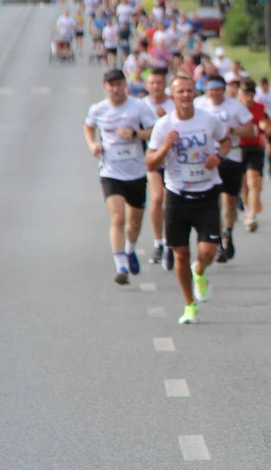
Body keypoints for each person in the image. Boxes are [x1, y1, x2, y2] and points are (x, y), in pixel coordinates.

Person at [146, 75, 231, 325]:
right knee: (181, 254)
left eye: (188, 91)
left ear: (195, 94)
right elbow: (150, 163)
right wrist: (165, 147)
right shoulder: (164, 125)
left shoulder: (209, 120)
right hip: (177, 195)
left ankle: (200, 271)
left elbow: (226, 142)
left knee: (208, 251)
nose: (185, 95)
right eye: (180, 92)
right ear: (172, 97)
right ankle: (189, 305)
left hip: (207, 192)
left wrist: (218, 157)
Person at [84, 68, 160, 285]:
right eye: (111, 85)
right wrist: (92, 145)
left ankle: (129, 249)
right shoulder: (98, 109)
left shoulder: (139, 107)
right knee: (118, 217)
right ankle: (121, 267)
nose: (115, 89)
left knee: (134, 223)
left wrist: (135, 134)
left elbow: (155, 131)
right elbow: (88, 127)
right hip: (110, 171)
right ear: (105, 87)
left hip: (136, 172)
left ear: (125, 85)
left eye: (119, 84)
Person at [194, 74, 254, 263]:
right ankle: (217, 239)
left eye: (219, 89)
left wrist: (232, 130)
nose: (215, 93)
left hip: (232, 156)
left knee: (229, 201)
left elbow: (250, 130)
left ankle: (227, 233)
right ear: (206, 89)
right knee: (213, 201)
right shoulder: (198, 105)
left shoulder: (235, 106)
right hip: (208, 158)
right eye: (211, 89)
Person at [143, 68, 176, 267]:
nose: (155, 86)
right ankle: (159, 243)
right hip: (152, 160)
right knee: (157, 198)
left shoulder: (173, 106)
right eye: (152, 83)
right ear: (147, 85)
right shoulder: (141, 106)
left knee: (171, 202)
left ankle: (171, 240)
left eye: (159, 82)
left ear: (165, 85)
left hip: (172, 161)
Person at [238, 79, 271, 231]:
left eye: (251, 94)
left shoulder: (260, 108)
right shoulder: (236, 108)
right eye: (245, 93)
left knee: (254, 182)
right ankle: (248, 209)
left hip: (255, 148)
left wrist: (267, 128)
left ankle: (252, 215)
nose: (248, 97)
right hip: (239, 148)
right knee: (244, 185)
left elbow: (270, 124)